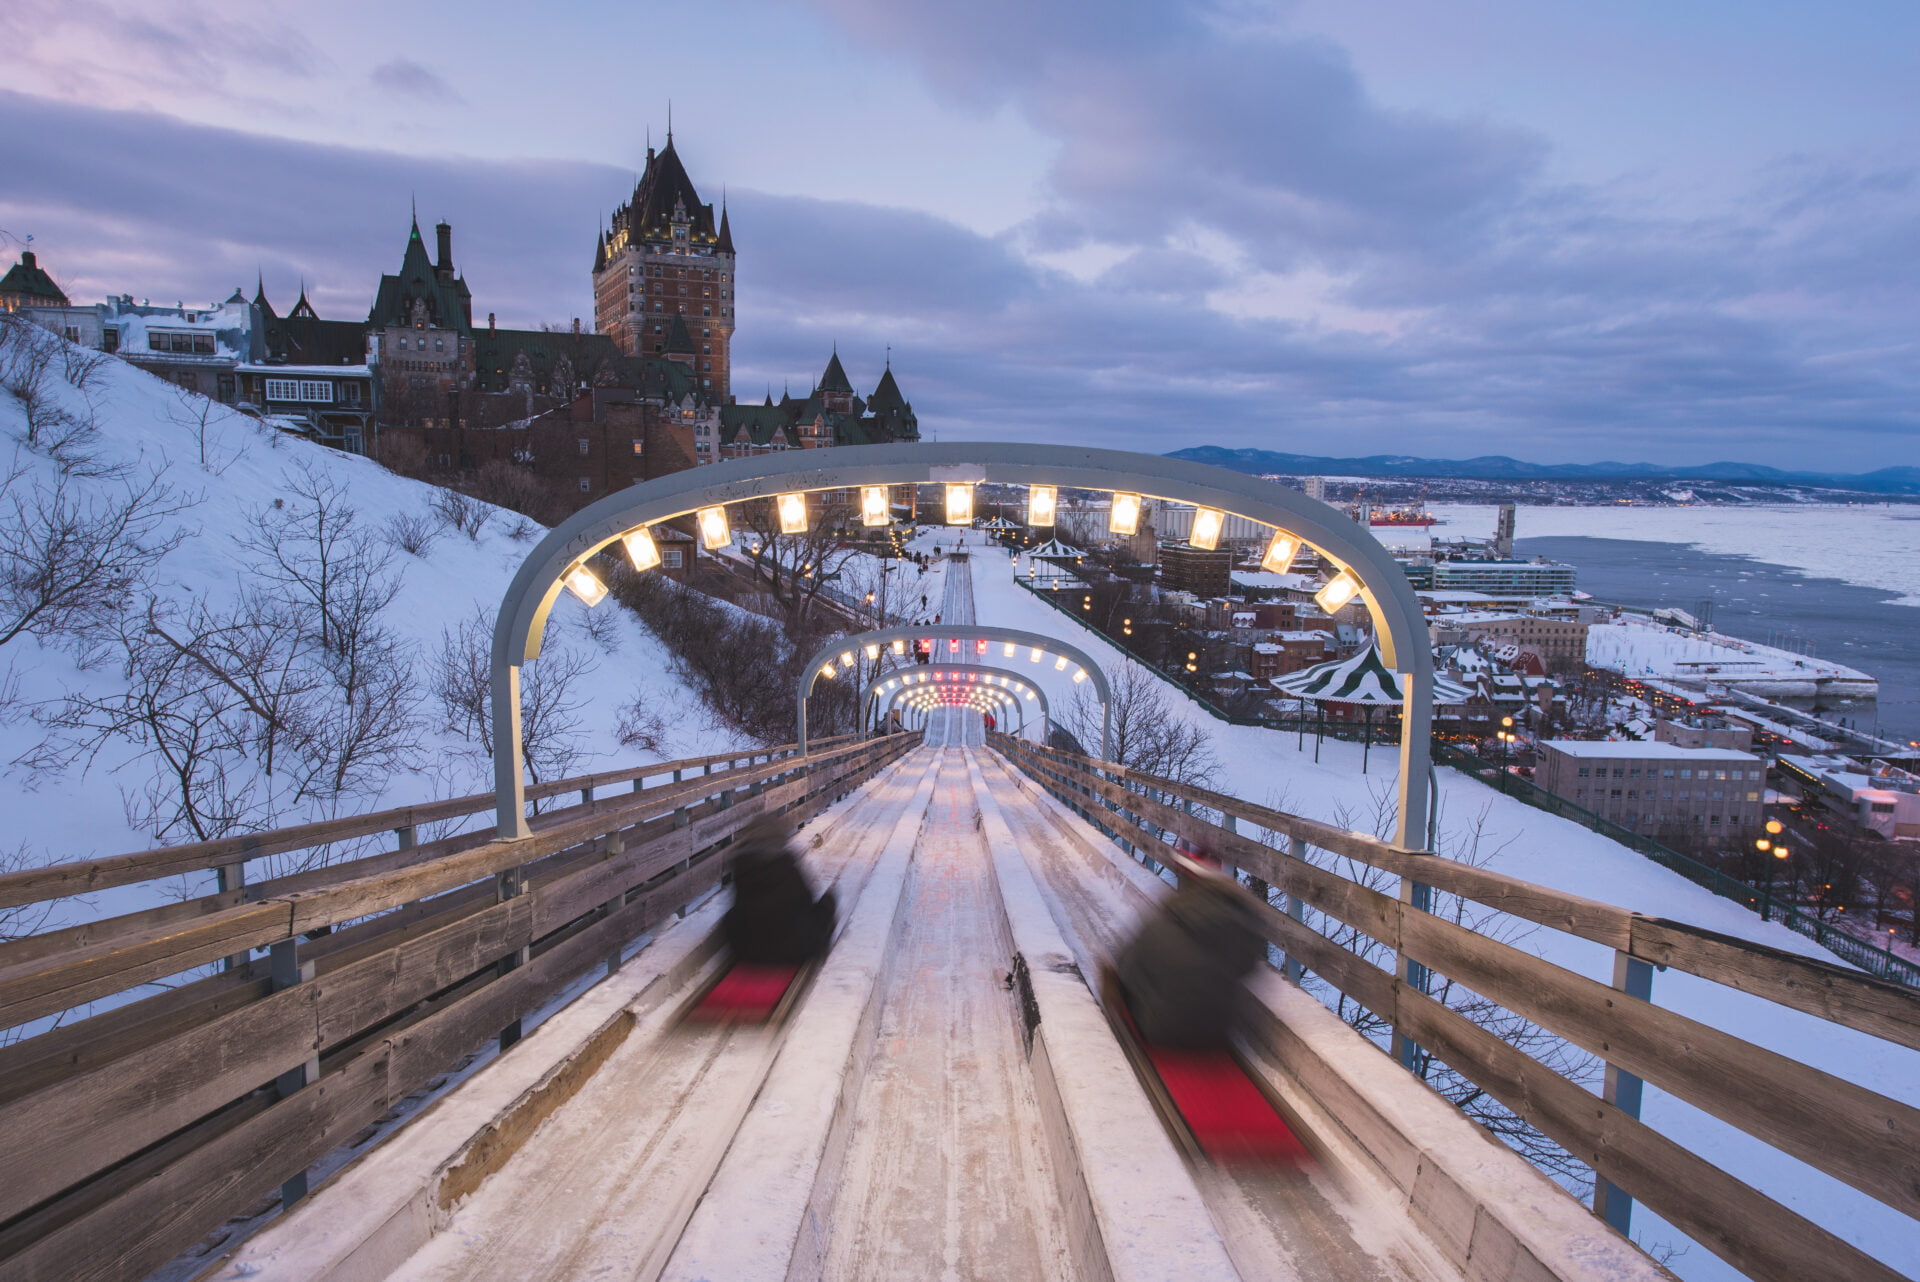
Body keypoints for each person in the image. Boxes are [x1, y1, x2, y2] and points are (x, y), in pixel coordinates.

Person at [1113, 866, 1265, 1048]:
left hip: (1160, 1030)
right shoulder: (1238, 929)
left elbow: (1128, 968)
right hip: (1219, 1029)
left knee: (1132, 969)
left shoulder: (1161, 924)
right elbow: (1249, 968)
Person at [722, 814, 837, 966]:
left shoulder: (741, 864)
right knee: (827, 902)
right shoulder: (786, 862)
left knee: (732, 916)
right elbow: (806, 901)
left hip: (747, 949)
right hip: (794, 948)